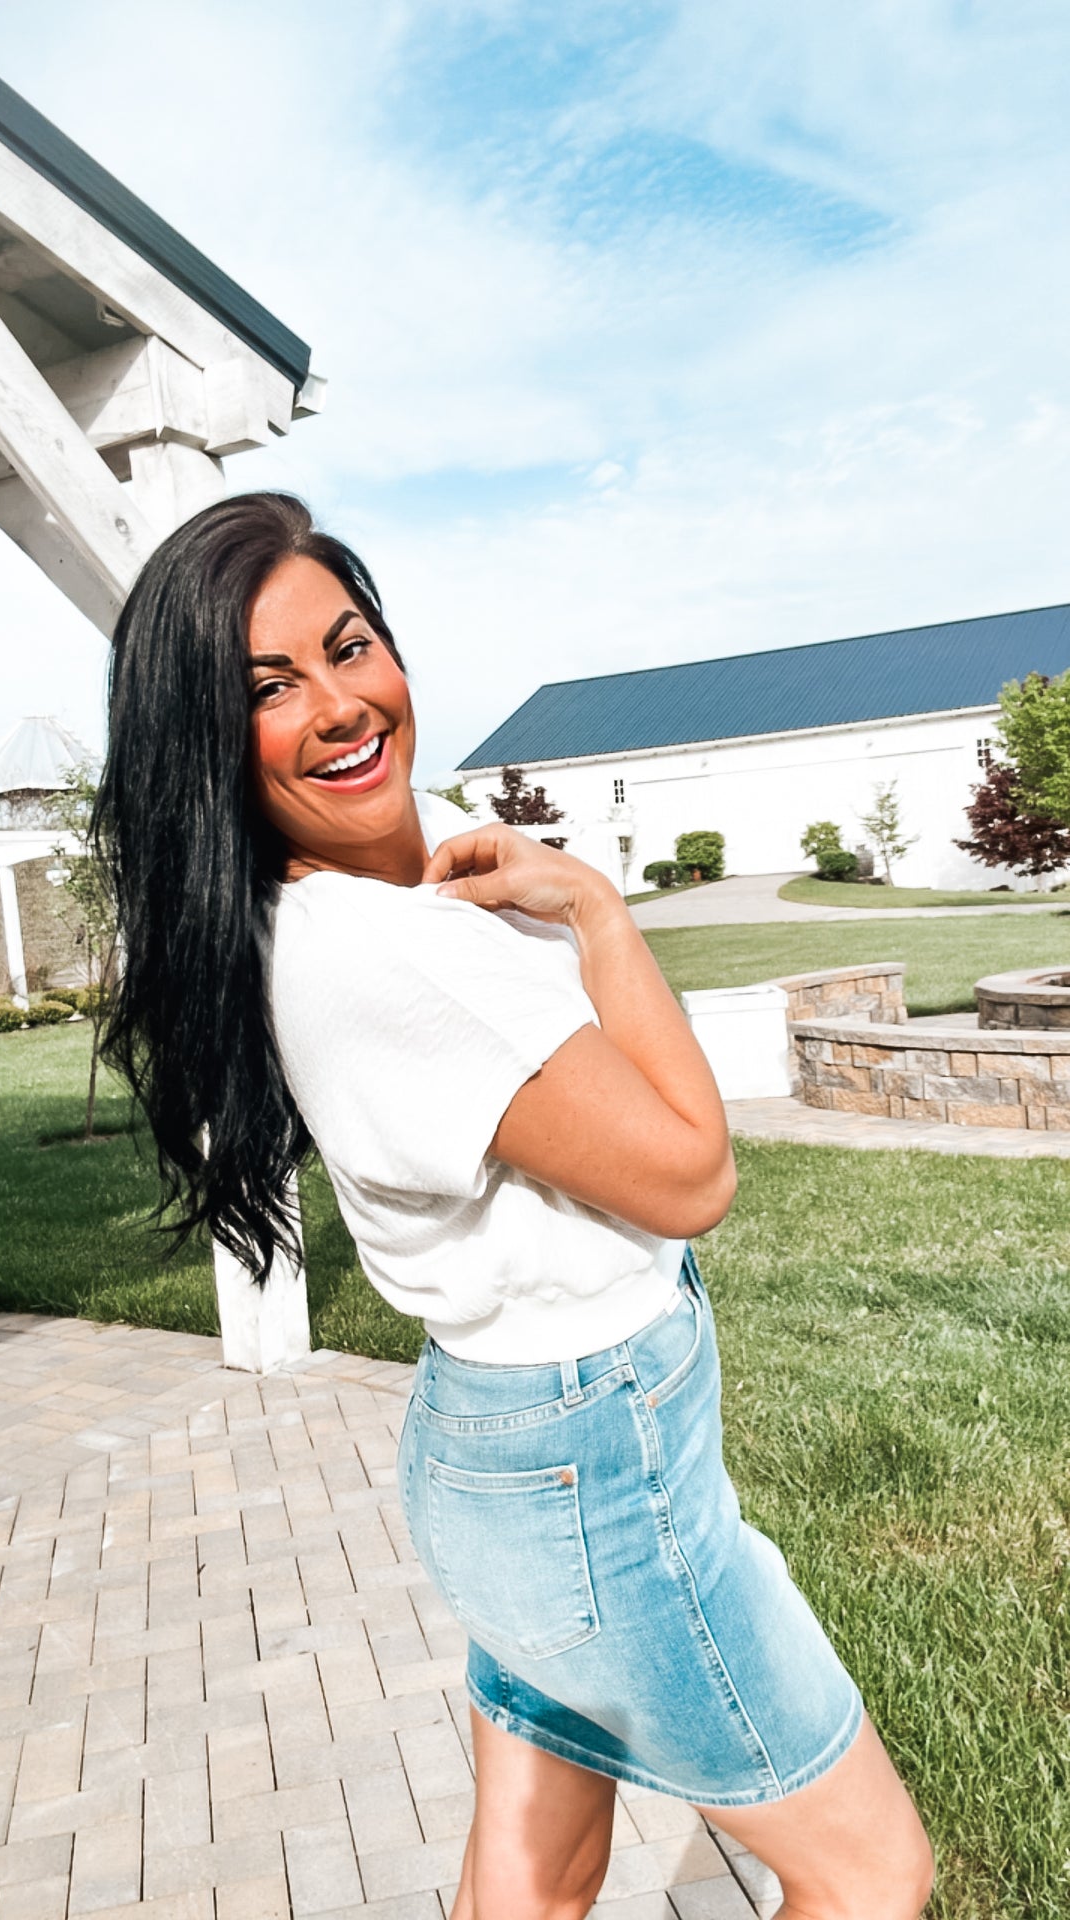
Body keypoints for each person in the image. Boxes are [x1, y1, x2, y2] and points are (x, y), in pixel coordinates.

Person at [95, 492, 933, 1920]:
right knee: (870, 1874)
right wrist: (599, 911)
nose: (340, 704)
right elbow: (693, 1173)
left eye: (350, 647)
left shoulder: (355, 920)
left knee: (535, 1883)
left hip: (507, 1449)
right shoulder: (392, 960)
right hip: (591, 1466)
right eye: (269, 688)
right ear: (209, 748)